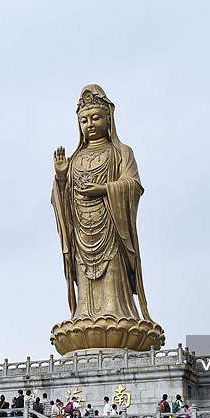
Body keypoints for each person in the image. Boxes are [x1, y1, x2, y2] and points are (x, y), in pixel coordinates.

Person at [51, 85, 155, 334]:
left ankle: (118, 312)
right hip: (82, 235)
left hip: (112, 229)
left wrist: (106, 190)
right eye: (84, 120)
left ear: (109, 119)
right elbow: (62, 199)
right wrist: (62, 178)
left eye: (96, 117)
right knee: (85, 287)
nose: (90, 124)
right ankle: (84, 314)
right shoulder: (75, 159)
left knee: (112, 278)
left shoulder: (120, 153)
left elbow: (133, 185)